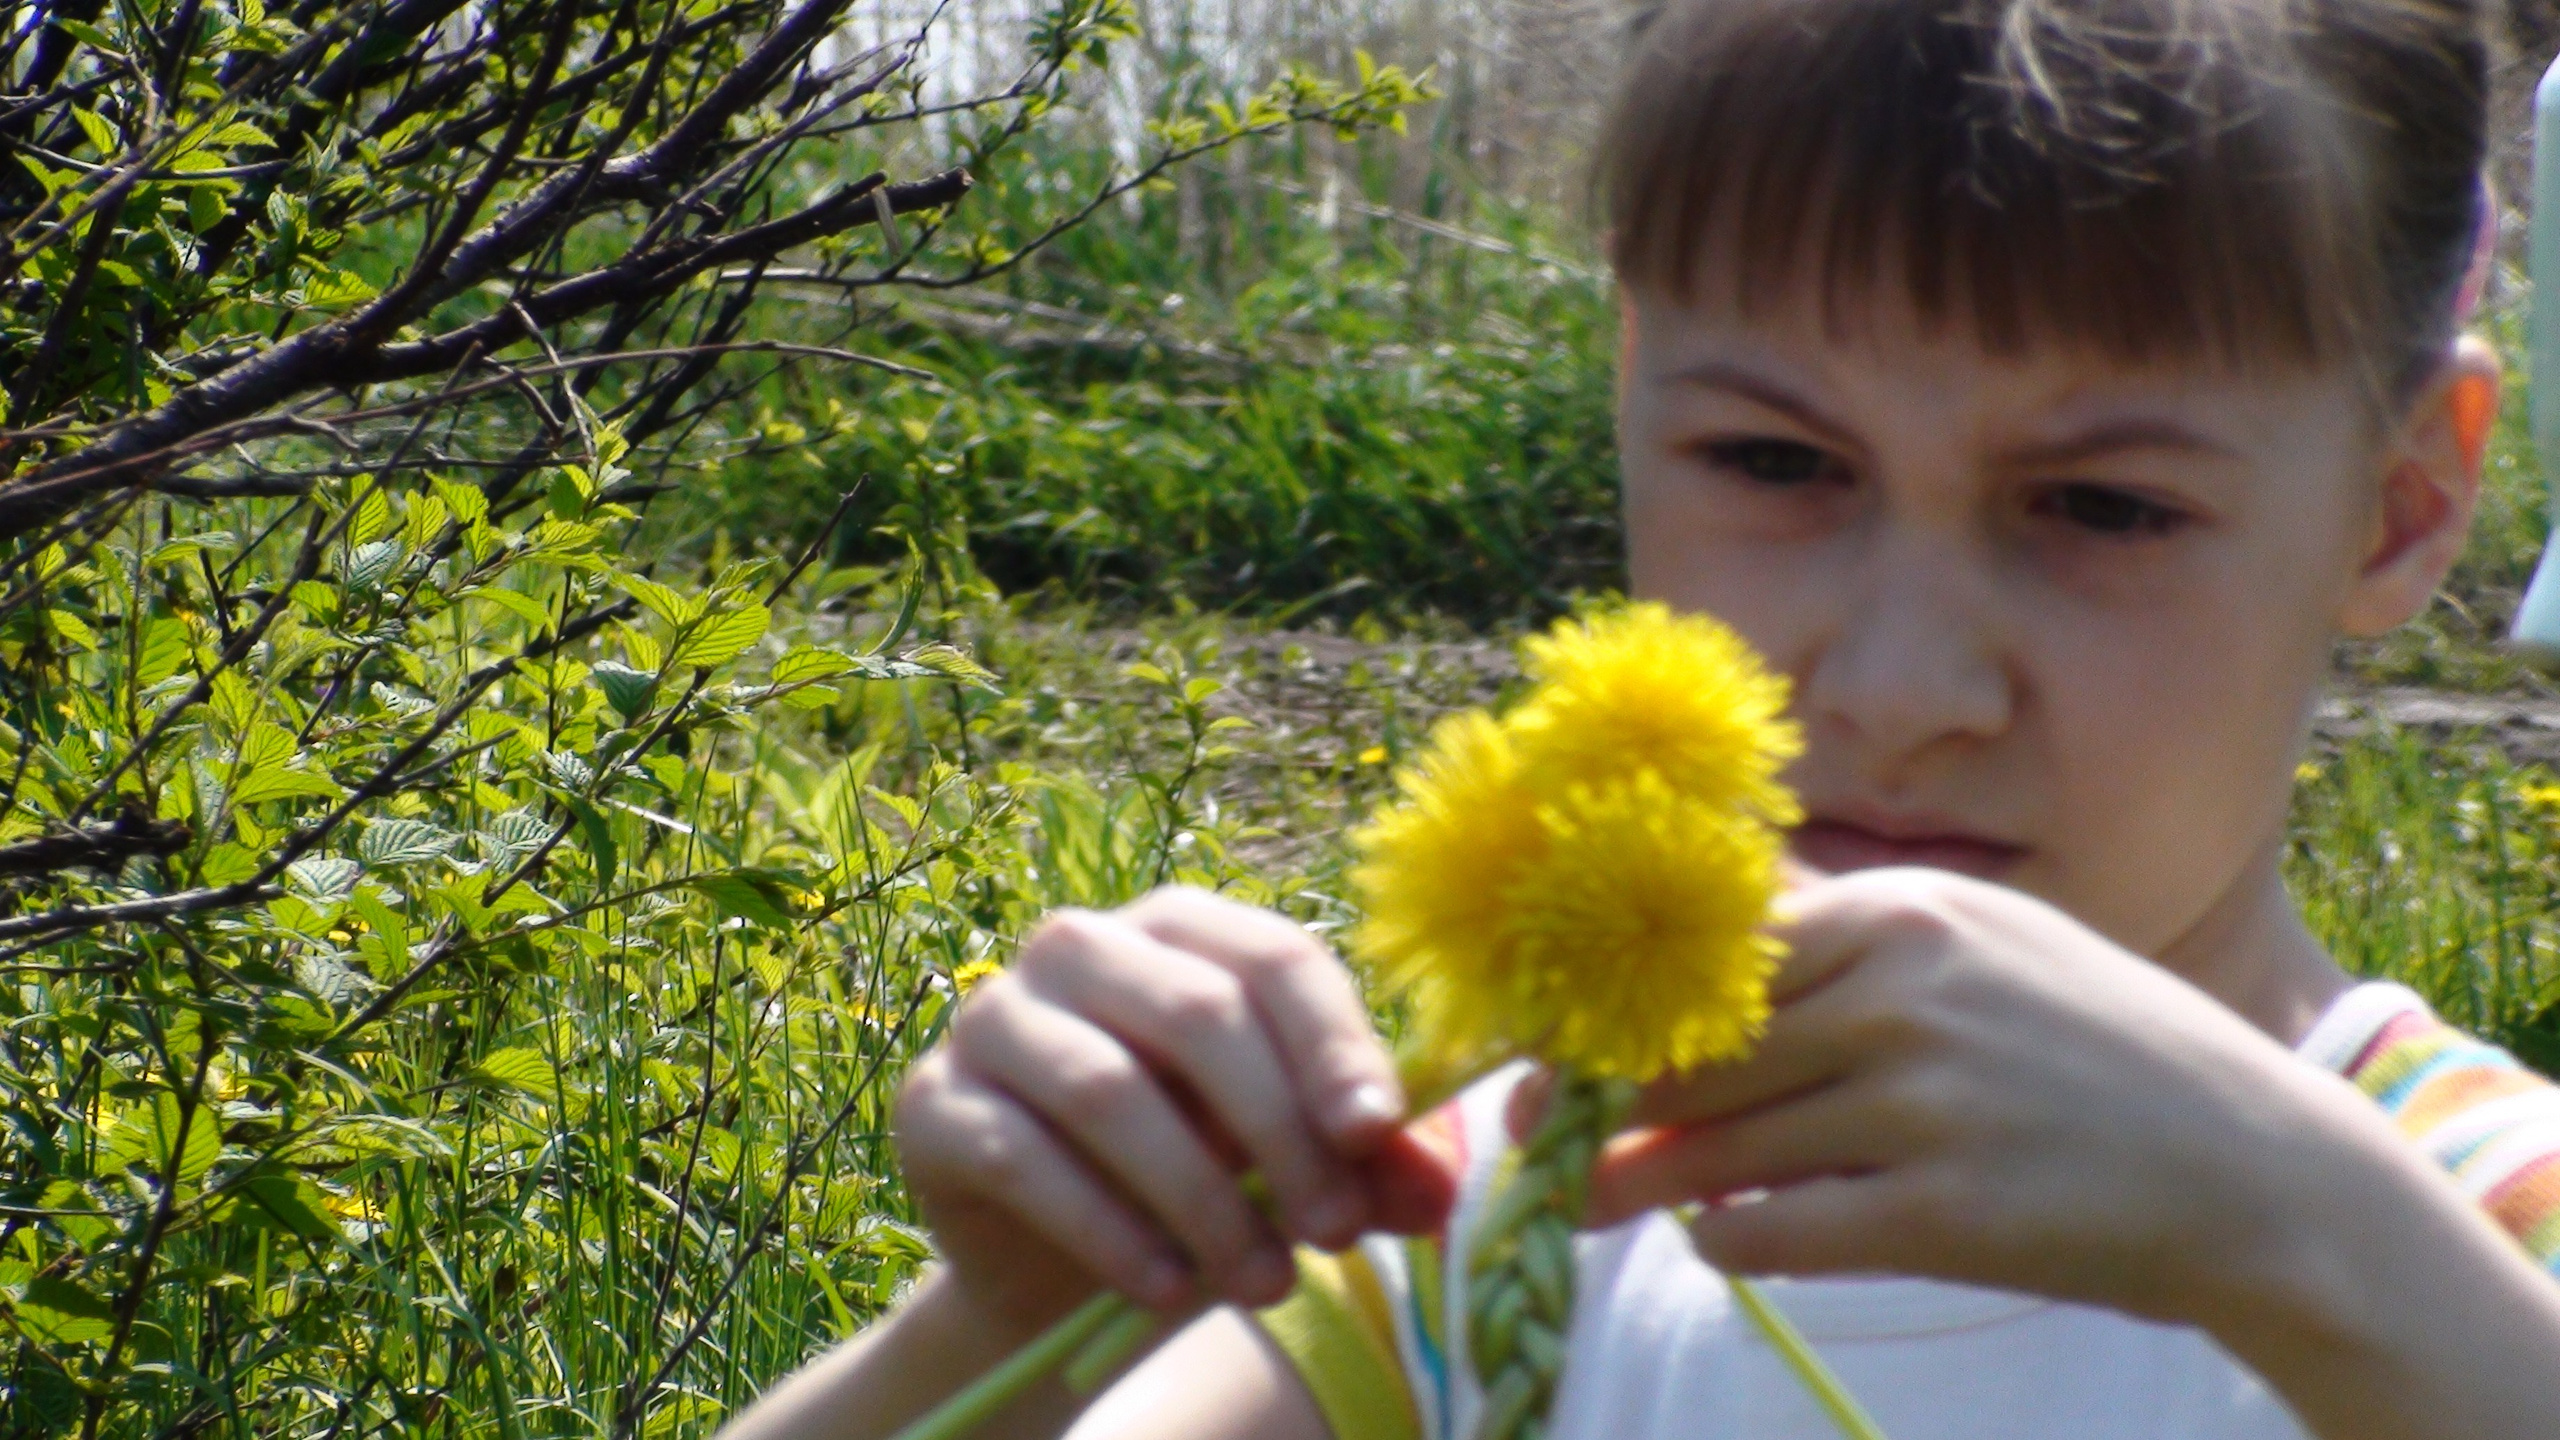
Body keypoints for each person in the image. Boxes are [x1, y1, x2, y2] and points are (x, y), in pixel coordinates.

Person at [715, 0, 2560, 1434]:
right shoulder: (1483, 1240)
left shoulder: (2479, 1237)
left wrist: (2311, 1247)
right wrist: (1007, 1326)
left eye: (2105, 507)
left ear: (2401, 503)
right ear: (1626, 396)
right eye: (1773, 459)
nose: (1898, 691)